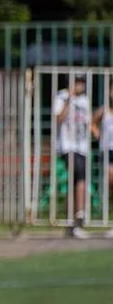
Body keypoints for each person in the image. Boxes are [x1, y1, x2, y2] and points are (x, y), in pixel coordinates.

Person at [54, 72, 90, 238]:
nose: (80, 85)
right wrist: (69, 100)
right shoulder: (61, 96)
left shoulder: (85, 100)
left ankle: (75, 218)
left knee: (78, 179)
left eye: (82, 82)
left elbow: (87, 123)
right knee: (78, 174)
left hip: (82, 146)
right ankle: (78, 214)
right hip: (67, 146)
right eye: (77, 82)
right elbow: (59, 119)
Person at [91, 78, 113, 238]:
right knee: (111, 180)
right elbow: (92, 122)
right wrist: (97, 133)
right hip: (108, 151)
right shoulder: (104, 110)